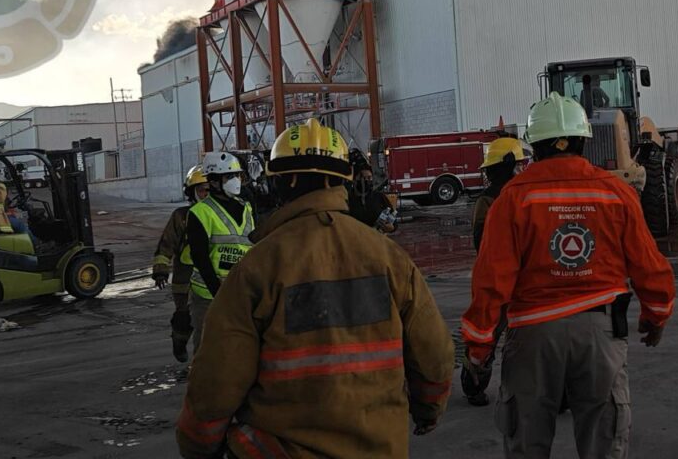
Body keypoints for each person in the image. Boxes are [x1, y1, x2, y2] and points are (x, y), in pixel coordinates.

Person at [176, 119, 454, 458]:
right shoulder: (388, 257)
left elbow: (215, 383)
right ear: (342, 180)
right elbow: (434, 355)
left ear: (284, 181)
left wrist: (198, 446)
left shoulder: (258, 267)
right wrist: (427, 409)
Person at [461, 93, 675, 459]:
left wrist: (479, 349)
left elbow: (490, 282)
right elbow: (649, 265)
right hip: (601, 335)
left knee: (527, 443)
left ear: (535, 145)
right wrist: (656, 316)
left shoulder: (511, 200)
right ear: (582, 139)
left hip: (531, 336)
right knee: (604, 443)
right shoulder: (616, 193)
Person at [462, 136, 527, 407]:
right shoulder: (494, 201)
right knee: (493, 334)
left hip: (508, 279)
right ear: (510, 165)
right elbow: (482, 241)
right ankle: (475, 382)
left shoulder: (502, 198)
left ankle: (476, 383)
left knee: (493, 335)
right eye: (520, 164)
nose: (524, 168)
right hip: (508, 280)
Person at [179, 151, 256, 352]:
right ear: (213, 182)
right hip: (209, 295)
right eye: (229, 176)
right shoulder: (200, 213)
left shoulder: (246, 208)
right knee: (208, 350)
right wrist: (219, 291)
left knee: (242, 349)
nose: (235, 181)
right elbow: (201, 258)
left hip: (242, 292)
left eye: (237, 175)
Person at [151, 165, 209, 362]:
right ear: (191, 193)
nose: (206, 194)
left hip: (210, 281)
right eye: (202, 190)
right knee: (184, 318)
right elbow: (166, 244)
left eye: (209, 190)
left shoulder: (219, 216)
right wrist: (160, 270)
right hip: (184, 281)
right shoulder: (181, 217)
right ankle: (179, 340)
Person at [346, 151, 397, 233]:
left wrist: (392, 227)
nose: (366, 181)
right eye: (362, 177)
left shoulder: (379, 197)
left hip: (377, 242)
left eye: (369, 178)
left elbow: (393, 221)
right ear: (355, 179)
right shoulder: (347, 198)